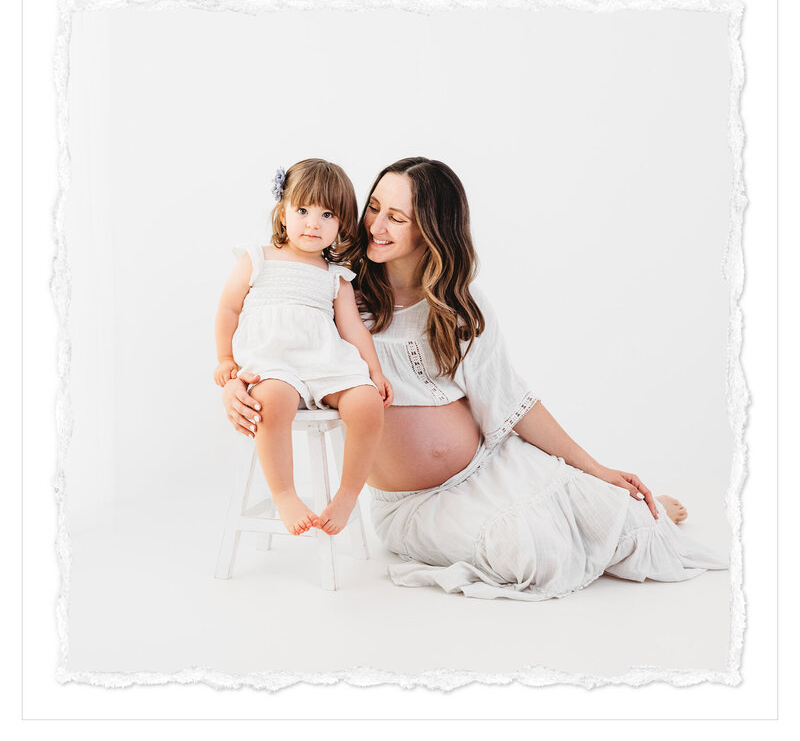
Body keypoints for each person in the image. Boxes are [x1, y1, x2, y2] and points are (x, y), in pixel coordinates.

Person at [222, 157, 727, 600]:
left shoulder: (458, 305)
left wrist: (597, 468)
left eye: (398, 217)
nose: (375, 224)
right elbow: (271, 341)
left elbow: (511, 399)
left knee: (625, 514)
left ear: (432, 231)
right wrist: (231, 383)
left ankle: (628, 513)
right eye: (374, 207)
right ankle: (585, 529)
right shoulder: (334, 290)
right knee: (531, 556)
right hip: (414, 504)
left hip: (492, 464)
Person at [214, 158, 392, 537]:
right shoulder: (257, 259)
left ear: (341, 224)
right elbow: (228, 309)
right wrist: (225, 359)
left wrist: (374, 372)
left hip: (324, 362)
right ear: (282, 214)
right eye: (303, 210)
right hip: (273, 361)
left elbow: (354, 332)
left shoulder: (336, 278)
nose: (313, 222)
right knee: (272, 400)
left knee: (365, 404)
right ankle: (284, 493)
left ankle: (347, 495)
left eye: (327, 214)